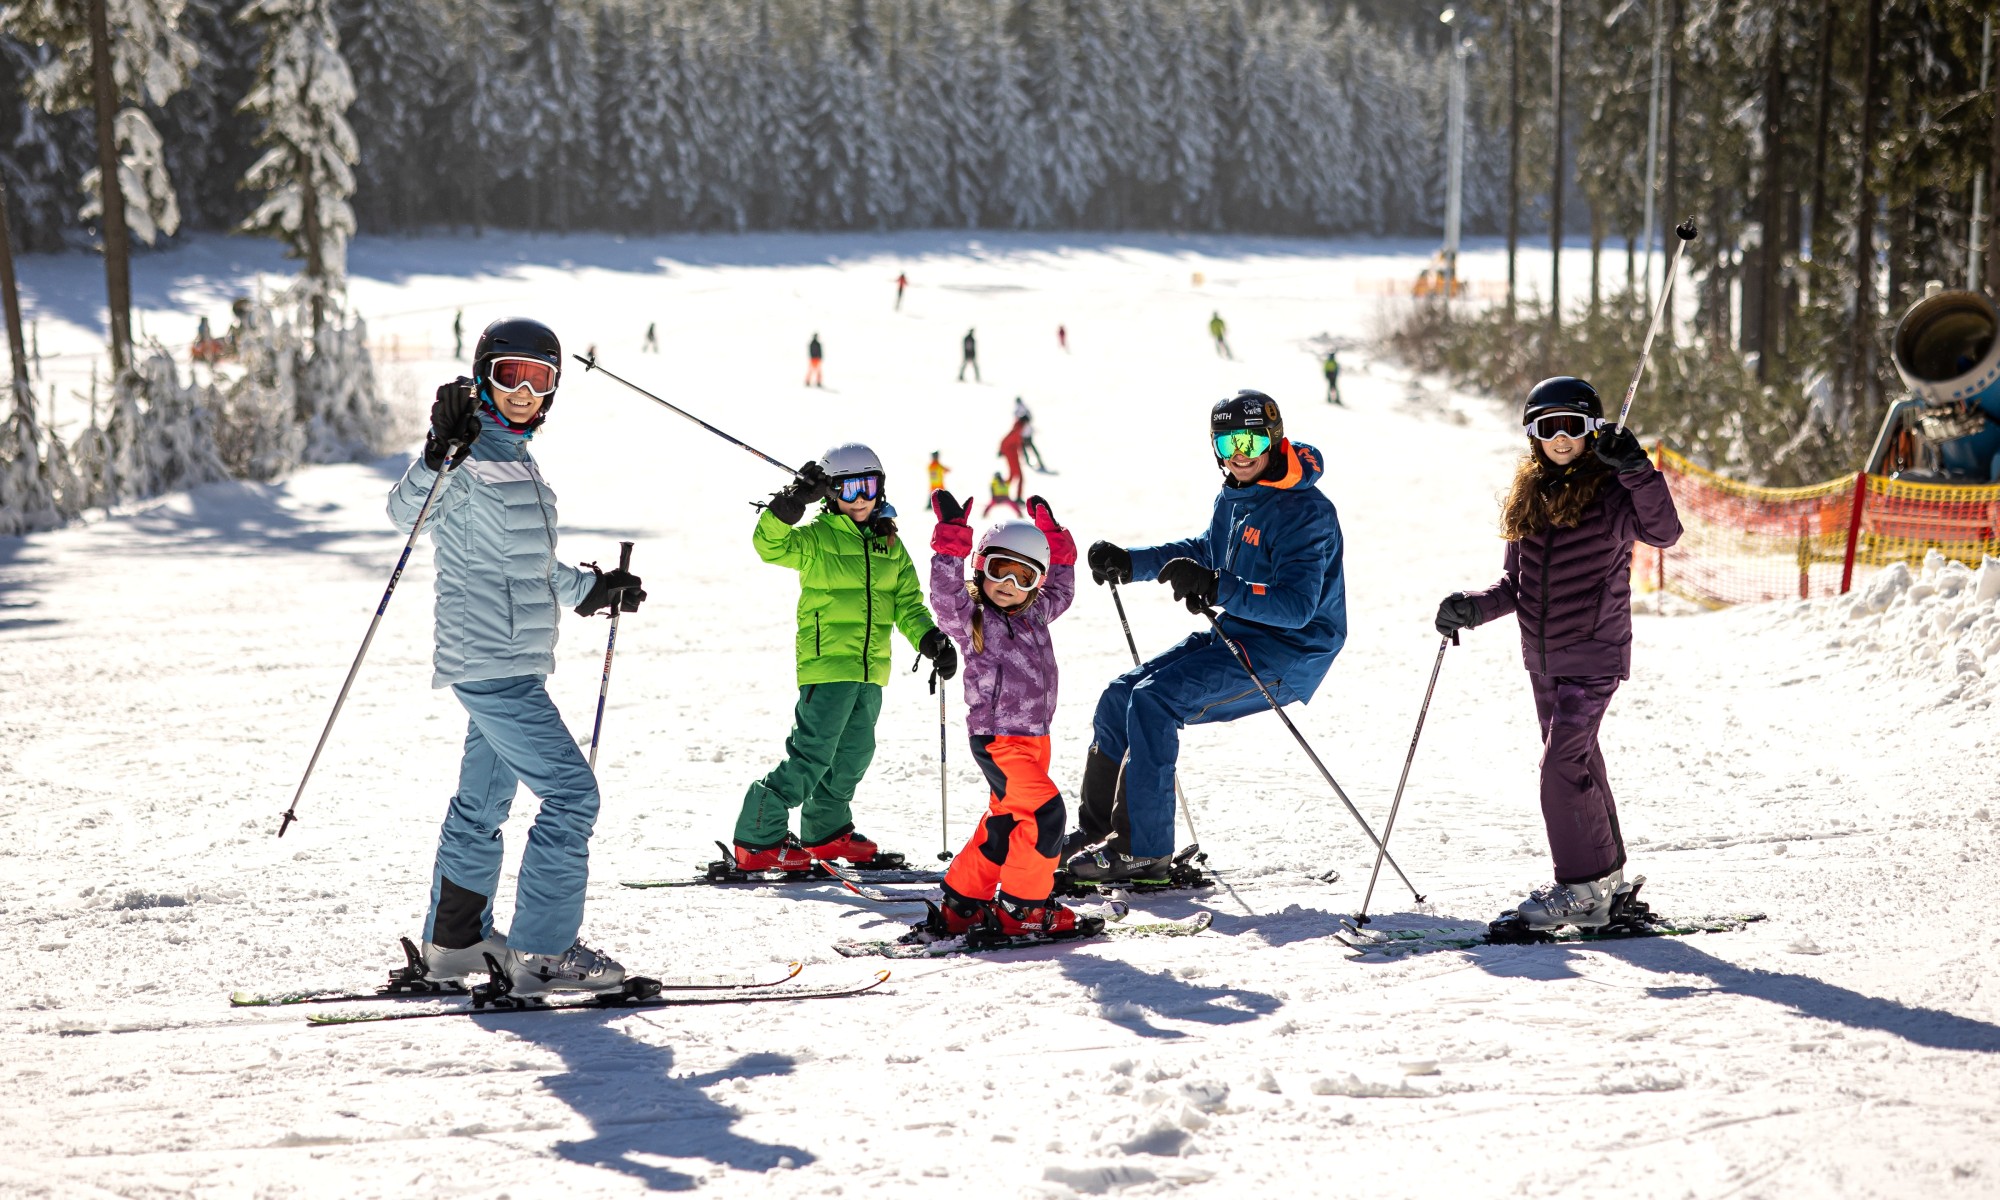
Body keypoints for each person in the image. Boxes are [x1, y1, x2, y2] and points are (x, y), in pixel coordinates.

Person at [388, 317, 646, 995]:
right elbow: (404, 511)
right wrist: (438, 450)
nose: (525, 391)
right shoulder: (468, 453)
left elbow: (525, 565)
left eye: (541, 379)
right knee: (572, 794)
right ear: (485, 377)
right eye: (511, 375)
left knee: (483, 805)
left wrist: (591, 590)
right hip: (490, 662)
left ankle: (456, 942)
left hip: (513, 659)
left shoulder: (517, 457)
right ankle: (543, 952)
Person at [1434, 377, 1682, 930]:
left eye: (1573, 425)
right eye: (1550, 427)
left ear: (1592, 430)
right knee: (1581, 763)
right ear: (1533, 435)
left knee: (1559, 767)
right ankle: (1606, 881)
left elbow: (1665, 533)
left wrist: (1637, 469)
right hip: (1543, 662)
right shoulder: (1530, 499)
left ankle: (1578, 889)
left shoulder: (1613, 493)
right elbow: (1513, 586)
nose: (1562, 438)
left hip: (1593, 656)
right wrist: (1470, 608)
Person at [1072, 391, 1345, 884]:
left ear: (1274, 438)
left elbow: (1297, 606)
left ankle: (1143, 851)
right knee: (1119, 697)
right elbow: (1206, 549)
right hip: (1238, 635)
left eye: (1251, 438)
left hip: (1290, 652)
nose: (1240, 451)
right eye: (1227, 440)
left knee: (1154, 702)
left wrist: (1219, 586)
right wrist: (1133, 562)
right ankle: (1095, 835)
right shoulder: (1234, 494)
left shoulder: (1307, 512)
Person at [732, 444, 955, 870]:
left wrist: (929, 639)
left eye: (867, 487)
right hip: (828, 662)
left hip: (871, 668)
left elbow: (907, 603)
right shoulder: (816, 537)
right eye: (848, 489)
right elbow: (770, 545)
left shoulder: (890, 544)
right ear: (831, 493)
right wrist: (793, 500)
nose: (859, 499)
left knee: (854, 752)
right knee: (812, 753)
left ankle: (826, 831)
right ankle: (757, 836)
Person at [914, 494, 1095, 941]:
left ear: (1038, 581)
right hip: (999, 740)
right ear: (981, 567)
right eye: (999, 570)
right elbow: (943, 595)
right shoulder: (971, 617)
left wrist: (1055, 540)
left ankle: (964, 901)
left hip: (1035, 739)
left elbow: (1065, 588)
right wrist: (951, 542)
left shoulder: (1037, 613)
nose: (1009, 584)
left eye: (1024, 575)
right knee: (1047, 815)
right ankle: (1023, 909)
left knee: (1008, 820)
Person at [1013, 397, 1048, 472]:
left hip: (1025, 434)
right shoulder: (1021, 409)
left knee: (1027, 449)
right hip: (1025, 434)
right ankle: (1034, 462)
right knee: (1028, 449)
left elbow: (1027, 418)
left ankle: (1033, 462)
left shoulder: (1020, 409)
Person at [998, 416, 1027, 501]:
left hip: (1013, 456)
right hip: (1012, 457)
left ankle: (1001, 493)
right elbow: (1006, 441)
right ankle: (1017, 497)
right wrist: (1002, 450)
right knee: (1019, 477)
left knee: (1012, 476)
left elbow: (1007, 441)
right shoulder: (1017, 430)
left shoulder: (1017, 429)